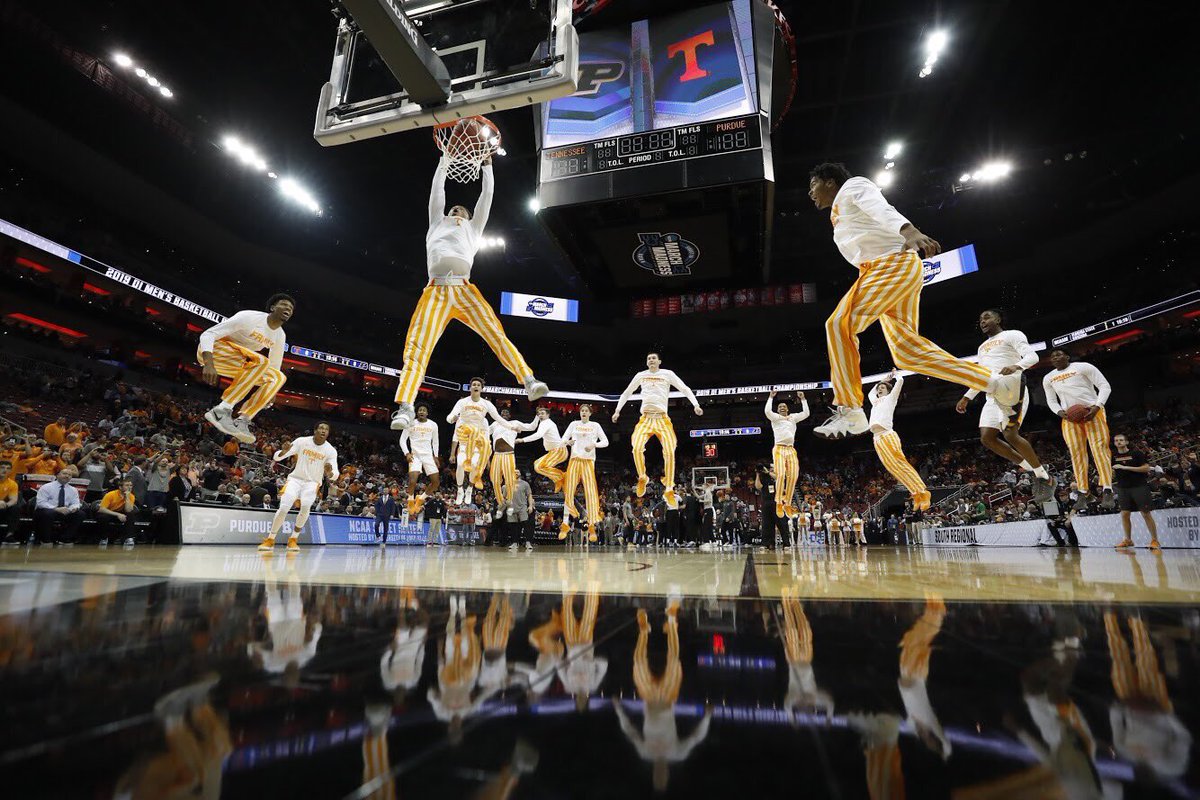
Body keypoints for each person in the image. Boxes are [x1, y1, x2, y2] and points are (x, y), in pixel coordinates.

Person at [806, 163, 1022, 438]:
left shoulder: (854, 186)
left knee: (839, 324)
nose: (810, 193)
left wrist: (910, 232)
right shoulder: (838, 211)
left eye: (812, 185)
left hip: (890, 266)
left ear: (828, 181)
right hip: (888, 268)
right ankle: (993, 383)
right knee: (907, 353)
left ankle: (850, 409)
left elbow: (882, 209)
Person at [390, 154, 548, 431]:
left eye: (461, 210)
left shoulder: (474, 229)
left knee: (495, 333)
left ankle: (529, 380)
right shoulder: (436, 222)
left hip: (464, 289)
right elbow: (437, 191)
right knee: (417, 347)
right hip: (435, 290)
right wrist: (444, 162)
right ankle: (405, 406)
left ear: (470, 217)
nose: (456, 211)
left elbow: (487, 195)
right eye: (453, 209)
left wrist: (487, 166)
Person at [197, 294, 293, 444]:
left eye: (291, 308)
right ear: (273, 308)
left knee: (278, 377)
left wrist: (271, 390)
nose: (288, 308)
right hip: (213, 351)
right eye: (284, 304)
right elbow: (208, 334)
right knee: (261, 360)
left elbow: (274, 367)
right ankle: (222, 410)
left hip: (237, 362)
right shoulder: (249, 317)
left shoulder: (280, 335)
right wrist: (208, 363)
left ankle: (243, 419)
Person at [612, 352, 703, 505]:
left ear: (659, 361)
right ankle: (642, 477)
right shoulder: (641, 375)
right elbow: (627, 392)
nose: (651, 360)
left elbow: (684, 388)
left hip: (662, 419)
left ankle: (669, 489)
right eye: (649, 358)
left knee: (669, 450)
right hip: (646, 418)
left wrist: (696, 404)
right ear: (646, 362)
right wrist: (617, 410)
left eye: (654, 358)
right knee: (636, 447)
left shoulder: (668, 374)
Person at [1042, 349, 1114, 505]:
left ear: (1067, 356)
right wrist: (1059, 412)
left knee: (1099, 448)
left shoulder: (1083, 367)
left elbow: (1104, 386)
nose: (1055, 357)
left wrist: (1097, 406)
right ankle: (1082, 491)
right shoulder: (1048, 378)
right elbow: (1051, 401)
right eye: (1053, 356)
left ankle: (1107, 489)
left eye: (1059, 354)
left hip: (1092, 412)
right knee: (1076, 453)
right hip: (1070, 418)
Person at [259, 422, 339, 552]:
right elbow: (277, 458)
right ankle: (270, 539)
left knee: (306, 505)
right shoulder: (302, 441)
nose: (323, 431)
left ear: (328, 433)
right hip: (295, 479)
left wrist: (330, 473)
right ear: (315, 430)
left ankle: (293, 539)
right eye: (321, 428)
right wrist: (283, 452)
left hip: (312, 482)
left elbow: (335, 474)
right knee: (284, 507)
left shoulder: (330, 450)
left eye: (326, 429)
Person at [867, 370, 930, 510]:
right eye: (879, 388)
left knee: (901, 464)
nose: (880, 388)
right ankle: (915, 494)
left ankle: (924, 493)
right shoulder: (875, 401)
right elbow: (870, 393)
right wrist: (881, 380)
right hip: (877, 439)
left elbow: (900, 382)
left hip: (888, 435)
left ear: (888, 390)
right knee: (893, 469)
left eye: (883, 387)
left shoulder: (890, 398)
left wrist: (895, 376)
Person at [446, 379, 505, 505]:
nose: (476, 386)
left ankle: (470, 489)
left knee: (473, 465)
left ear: (482, 388)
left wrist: (511, 427)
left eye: (478, 385)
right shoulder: (462, 406)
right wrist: (452, 419)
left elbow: (497, 421)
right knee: (461, 464)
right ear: (470, 388)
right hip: (464, 443)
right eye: (474, 384)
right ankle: (460, 489)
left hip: (478, 444)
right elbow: (451, 423)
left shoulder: (484, 418)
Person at [560, 404, 609, 542]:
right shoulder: (573, 424)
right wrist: (567, 442)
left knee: (591, 493)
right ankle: (565, 524)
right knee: (568, 491)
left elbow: (606, 441)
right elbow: (563, 439)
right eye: (582, 410)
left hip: (588, 461)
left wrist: (594, 445)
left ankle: (592, 525)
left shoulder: (596, 425)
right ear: (580, 412)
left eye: (586, 411)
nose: (584, 412)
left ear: (590, 413)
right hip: (574, 459)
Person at [764, 390, 810, 518]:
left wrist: (803, 399)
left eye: (784, 406)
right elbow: (767, 411)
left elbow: (806, 413)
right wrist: (770, 397)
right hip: (779, 448)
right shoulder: (775, 418)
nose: (782, 408)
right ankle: (779, 502)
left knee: (793, 475)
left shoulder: (793, 417)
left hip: (791, 449)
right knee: (781, 474)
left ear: (788, 409)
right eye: (780, 407)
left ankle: (787, 504)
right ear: (777, 410)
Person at [1112, 433, 1159, 549]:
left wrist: (1125, 467)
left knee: (1145, 513)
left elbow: (1146, 468)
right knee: (1124, 514)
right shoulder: (1112, 457)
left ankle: (1155, 540)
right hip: (1122, 488)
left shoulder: (1136, 454)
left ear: (1126, 442)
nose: (1119, 442)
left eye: (1121, 440)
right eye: (1116, 440)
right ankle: (1128, 540)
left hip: (1139, 486)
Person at [399, 403, 441, 496]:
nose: (422, 411)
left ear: (427, 413)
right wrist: (407, 453)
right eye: (420, 410)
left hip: (428, 456)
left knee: (436, 483)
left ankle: (421, 499)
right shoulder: (411, 423)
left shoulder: (433, 424)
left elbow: (435, 442)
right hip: (415, 456)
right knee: (412, 482)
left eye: (424, 410)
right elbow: (402, 440)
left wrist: (436, 456)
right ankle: (410, 500)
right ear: (417, 412)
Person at [34, 469, 83, 545]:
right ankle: (46, 540)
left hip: (64, 511)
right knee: (48, 513)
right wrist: (56, 509)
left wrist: (72, 509)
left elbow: (76, 503)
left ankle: (65, 538)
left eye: (69, 475)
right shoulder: (46, 487)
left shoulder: (73, 490)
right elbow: (41, 503)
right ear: (57, 475)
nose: (67, 476)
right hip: (47, 510)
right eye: (64, 473)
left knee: (80, 514)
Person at [488, 408, 523, 504]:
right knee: (494, 479)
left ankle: (510, 499)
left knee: (509, 479)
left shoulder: (514, 423)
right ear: (499, 415)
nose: (504, 413)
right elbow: (484, 432)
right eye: (502, 412)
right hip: (497, 455)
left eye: (507, 412)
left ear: (510, 415)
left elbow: (531, 427)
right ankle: (500, 501)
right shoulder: (495, 424)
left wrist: (537, 417)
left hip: (509, 454)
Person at [97, 477, 139, 546]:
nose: (129, 487)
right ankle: (104, 538)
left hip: (121, 513)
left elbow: (128, 510)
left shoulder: (131, 496)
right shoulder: (110, 494)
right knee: (103, 517)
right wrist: (117, 514)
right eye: (127, 485)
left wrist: (127, 497)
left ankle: (129, 538)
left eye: (131, 485)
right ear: (120, 487)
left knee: (131, 515)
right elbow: (101, 509)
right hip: (109, 512)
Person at [508, 470, 535, 551]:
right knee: (514, 526)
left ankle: (528, 542)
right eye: (514, 472)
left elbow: (529, 495)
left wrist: (530, 506)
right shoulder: (508, 483)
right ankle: (514, 543)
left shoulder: (525, 484)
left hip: (522, 506)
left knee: (526, 525)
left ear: (520, 474)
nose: (516, 473)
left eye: (517, 472)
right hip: (512, 507)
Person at [0, 461, 20, 543]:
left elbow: (13, 500)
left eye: (8, 468)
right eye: (2, 467)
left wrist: (5, 504)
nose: (5, 470)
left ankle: (9, 536)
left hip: (2, 507)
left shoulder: (12, 484)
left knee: (15, 508)